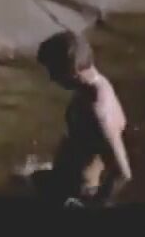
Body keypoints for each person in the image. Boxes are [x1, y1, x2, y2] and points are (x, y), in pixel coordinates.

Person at [35, 30, 132, 207]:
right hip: (64, 179)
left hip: (76, 194)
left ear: (72, 72)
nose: (51, 78)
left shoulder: (99, 111)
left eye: (53, 72)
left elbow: (123, 173)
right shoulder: (95, 81)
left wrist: (96, 206)